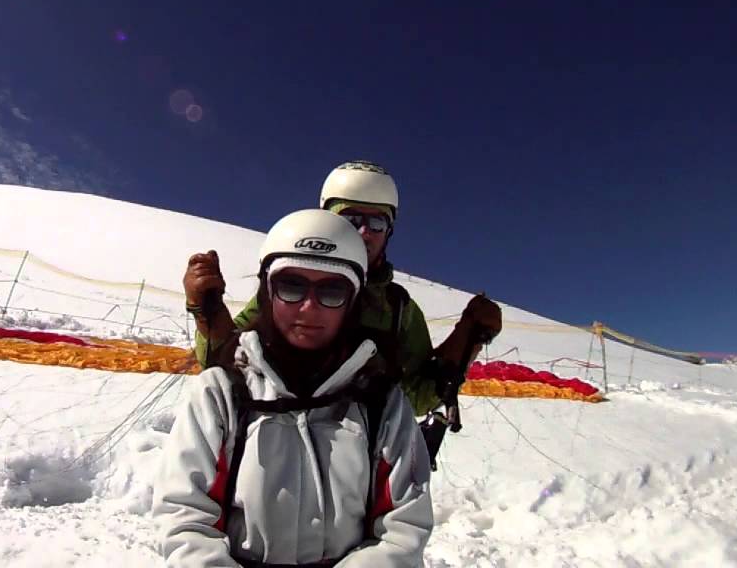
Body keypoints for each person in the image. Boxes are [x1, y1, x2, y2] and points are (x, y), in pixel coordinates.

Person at [155, 209, 434, 566]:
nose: (309, 307)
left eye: (331, 291)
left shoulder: (382, 403)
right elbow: (185, 519)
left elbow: (403, 530)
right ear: (267, 290)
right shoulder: (223, 392)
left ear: (354, 301)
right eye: (291, 286)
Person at [186, 161, 502, 419]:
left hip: (362, 457)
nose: (363, 233)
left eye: (376, 223)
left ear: (389, 232)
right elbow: (227, 362)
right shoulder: (285, 287)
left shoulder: (399, 311)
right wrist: (207, 311)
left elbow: (416, 399)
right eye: (351, 218)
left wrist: (468, 337)